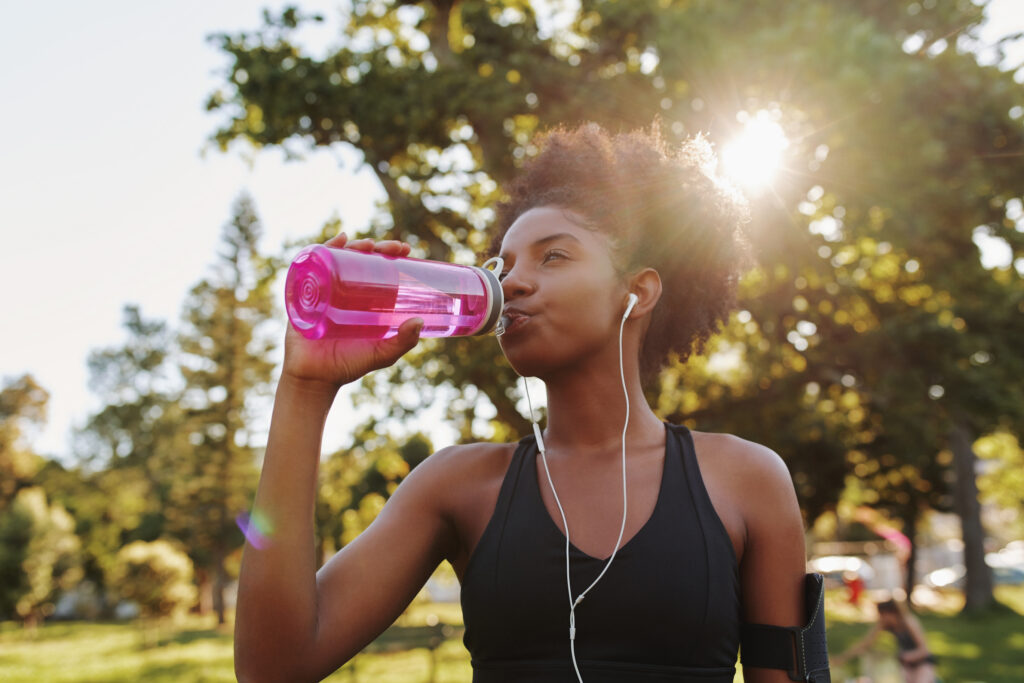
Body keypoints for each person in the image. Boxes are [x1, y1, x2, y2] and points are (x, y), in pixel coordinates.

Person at [234, 123, 820, 682]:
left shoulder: (745, 481)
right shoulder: (457, 486)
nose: (511, 282)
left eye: (554, 256)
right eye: (504, 264)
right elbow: (272, 668)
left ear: (635, 293)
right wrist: (305, 390)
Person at [832, 599, 936, 683]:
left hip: (921, 662)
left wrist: (906, 656)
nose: (880, 618)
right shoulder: (884, 625)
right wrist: (843, 658)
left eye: (882, 615)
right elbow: (865, 644)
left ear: (891, 613)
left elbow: (924, 650)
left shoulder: (909, 622)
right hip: (903, 664)